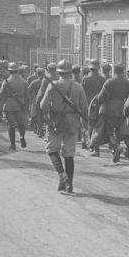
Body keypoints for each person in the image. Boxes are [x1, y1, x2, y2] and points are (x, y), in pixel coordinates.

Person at [40, 59, 88, 194]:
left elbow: (43, 106)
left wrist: (48, 113)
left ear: (58, 72)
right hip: (73, 122)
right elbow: (84, 108)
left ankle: (62, 176)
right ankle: (69, 184)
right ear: (70, 72)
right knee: (69, 153)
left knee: (52, 150)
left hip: (57, 122)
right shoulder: (78, 86)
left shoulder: (53, 85)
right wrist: (84, 124)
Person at [90, 62, 129, 161]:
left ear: (115, 70)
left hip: (109, 110)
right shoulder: (127, 82)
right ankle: (115, 152)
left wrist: (97, 105)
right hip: (121, 109)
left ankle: (116, 147)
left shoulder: (109, 81)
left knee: (108, 131)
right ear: (122, 71)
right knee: (118, 131)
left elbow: (100, 96)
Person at [0, 62, 29, 150]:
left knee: (11, 125)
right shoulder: (24, 82)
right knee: (21, 123)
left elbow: (0, 95)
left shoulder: (6, 81)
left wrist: (1, 101)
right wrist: (26, 106)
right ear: (17, 70)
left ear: (9, 71)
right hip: (21, 105)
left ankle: (13, 144)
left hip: (9, 104)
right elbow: (27, 96)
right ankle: (22, 136)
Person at [82, 59, 106, 149]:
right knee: (96, 125)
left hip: (86, 104)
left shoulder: (85, 79)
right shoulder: (102, 79)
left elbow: (82, 92)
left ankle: (85, 141)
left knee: (86, 124)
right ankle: (93, 144)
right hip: (97, 105)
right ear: (98, 68)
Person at [28, 67, 46, 137]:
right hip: (45, 99)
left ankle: (40, 130)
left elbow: (28, 90)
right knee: (44, 115)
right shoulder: (46, 81)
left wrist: (31, 98)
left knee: (37, 115)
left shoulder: (34, 82)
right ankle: (40, 130)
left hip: (36, 99)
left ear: (37, 74)